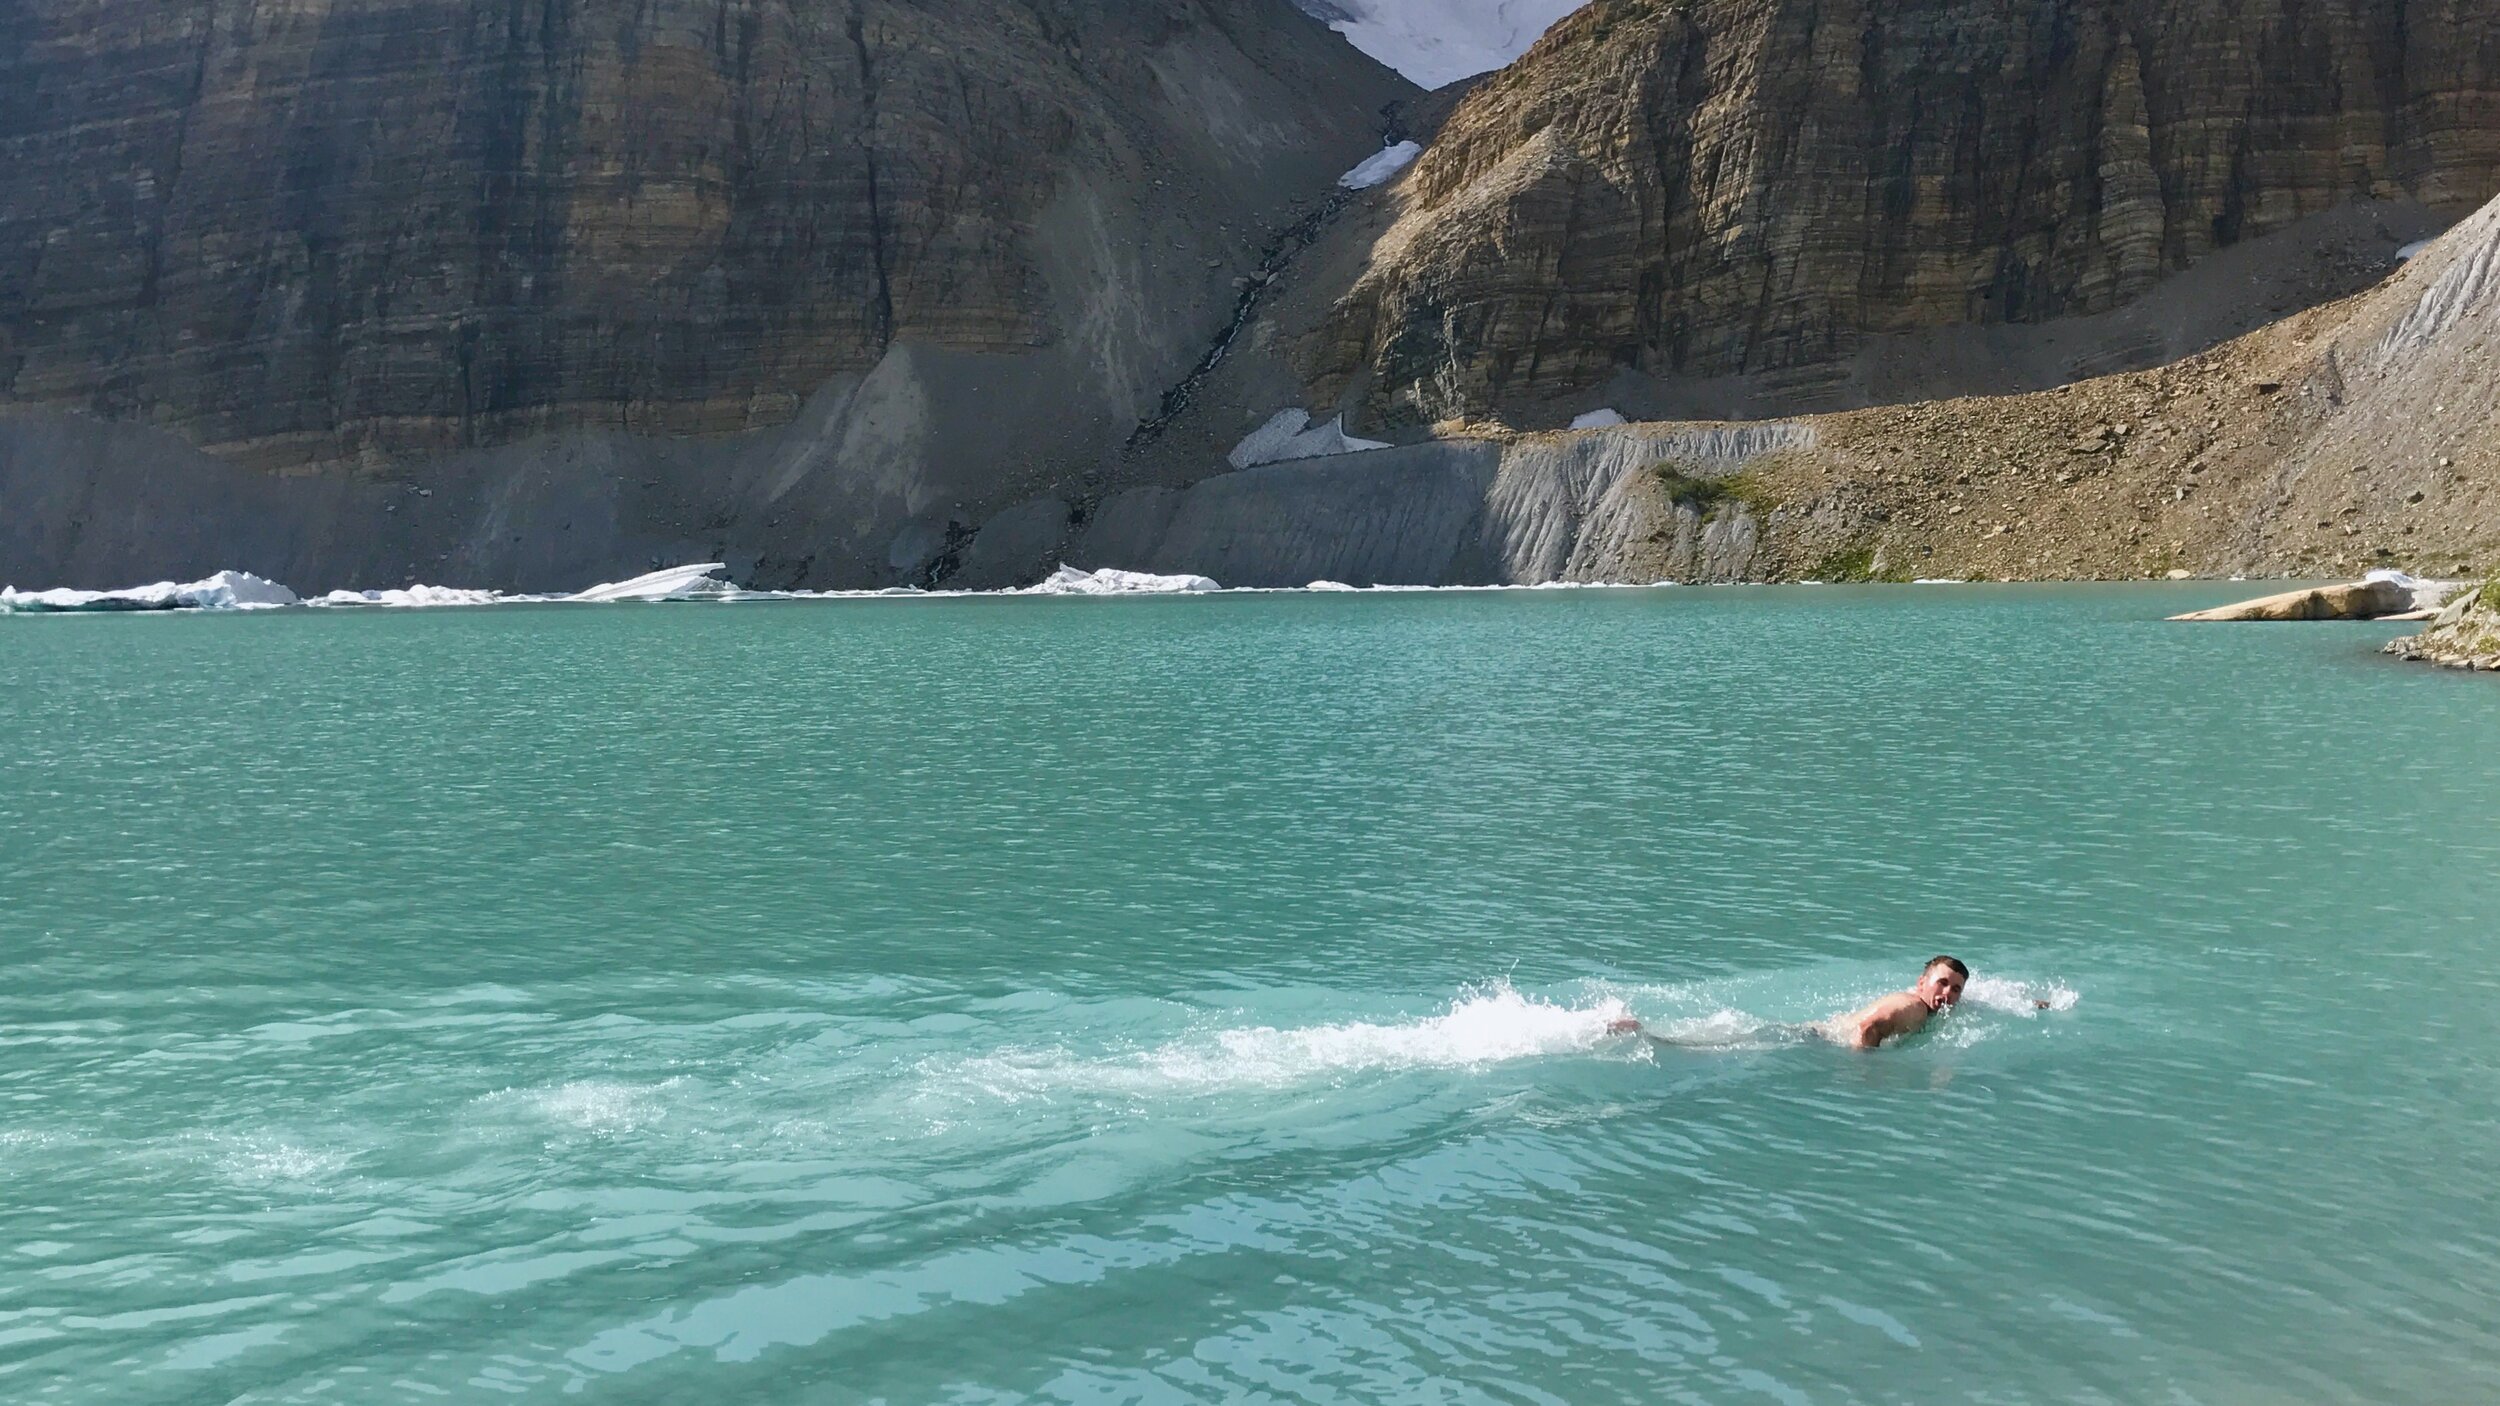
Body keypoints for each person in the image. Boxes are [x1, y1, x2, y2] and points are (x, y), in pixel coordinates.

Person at [1607, 955, 2040, 1050]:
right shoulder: (1912, 1007)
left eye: (1957, 990)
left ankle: (1648, 1032)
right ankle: (1644, 1035)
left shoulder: (1933, 1005)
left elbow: (1984, 999)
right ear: (1922, 982)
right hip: (1812, 1041)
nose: (1949, 995)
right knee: (1706, 1049)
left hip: (1811, 1032)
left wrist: (2030, 1003)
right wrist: (1863, 1072)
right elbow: (1869, 1028)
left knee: (1719, 1038)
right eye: (1943, 984)